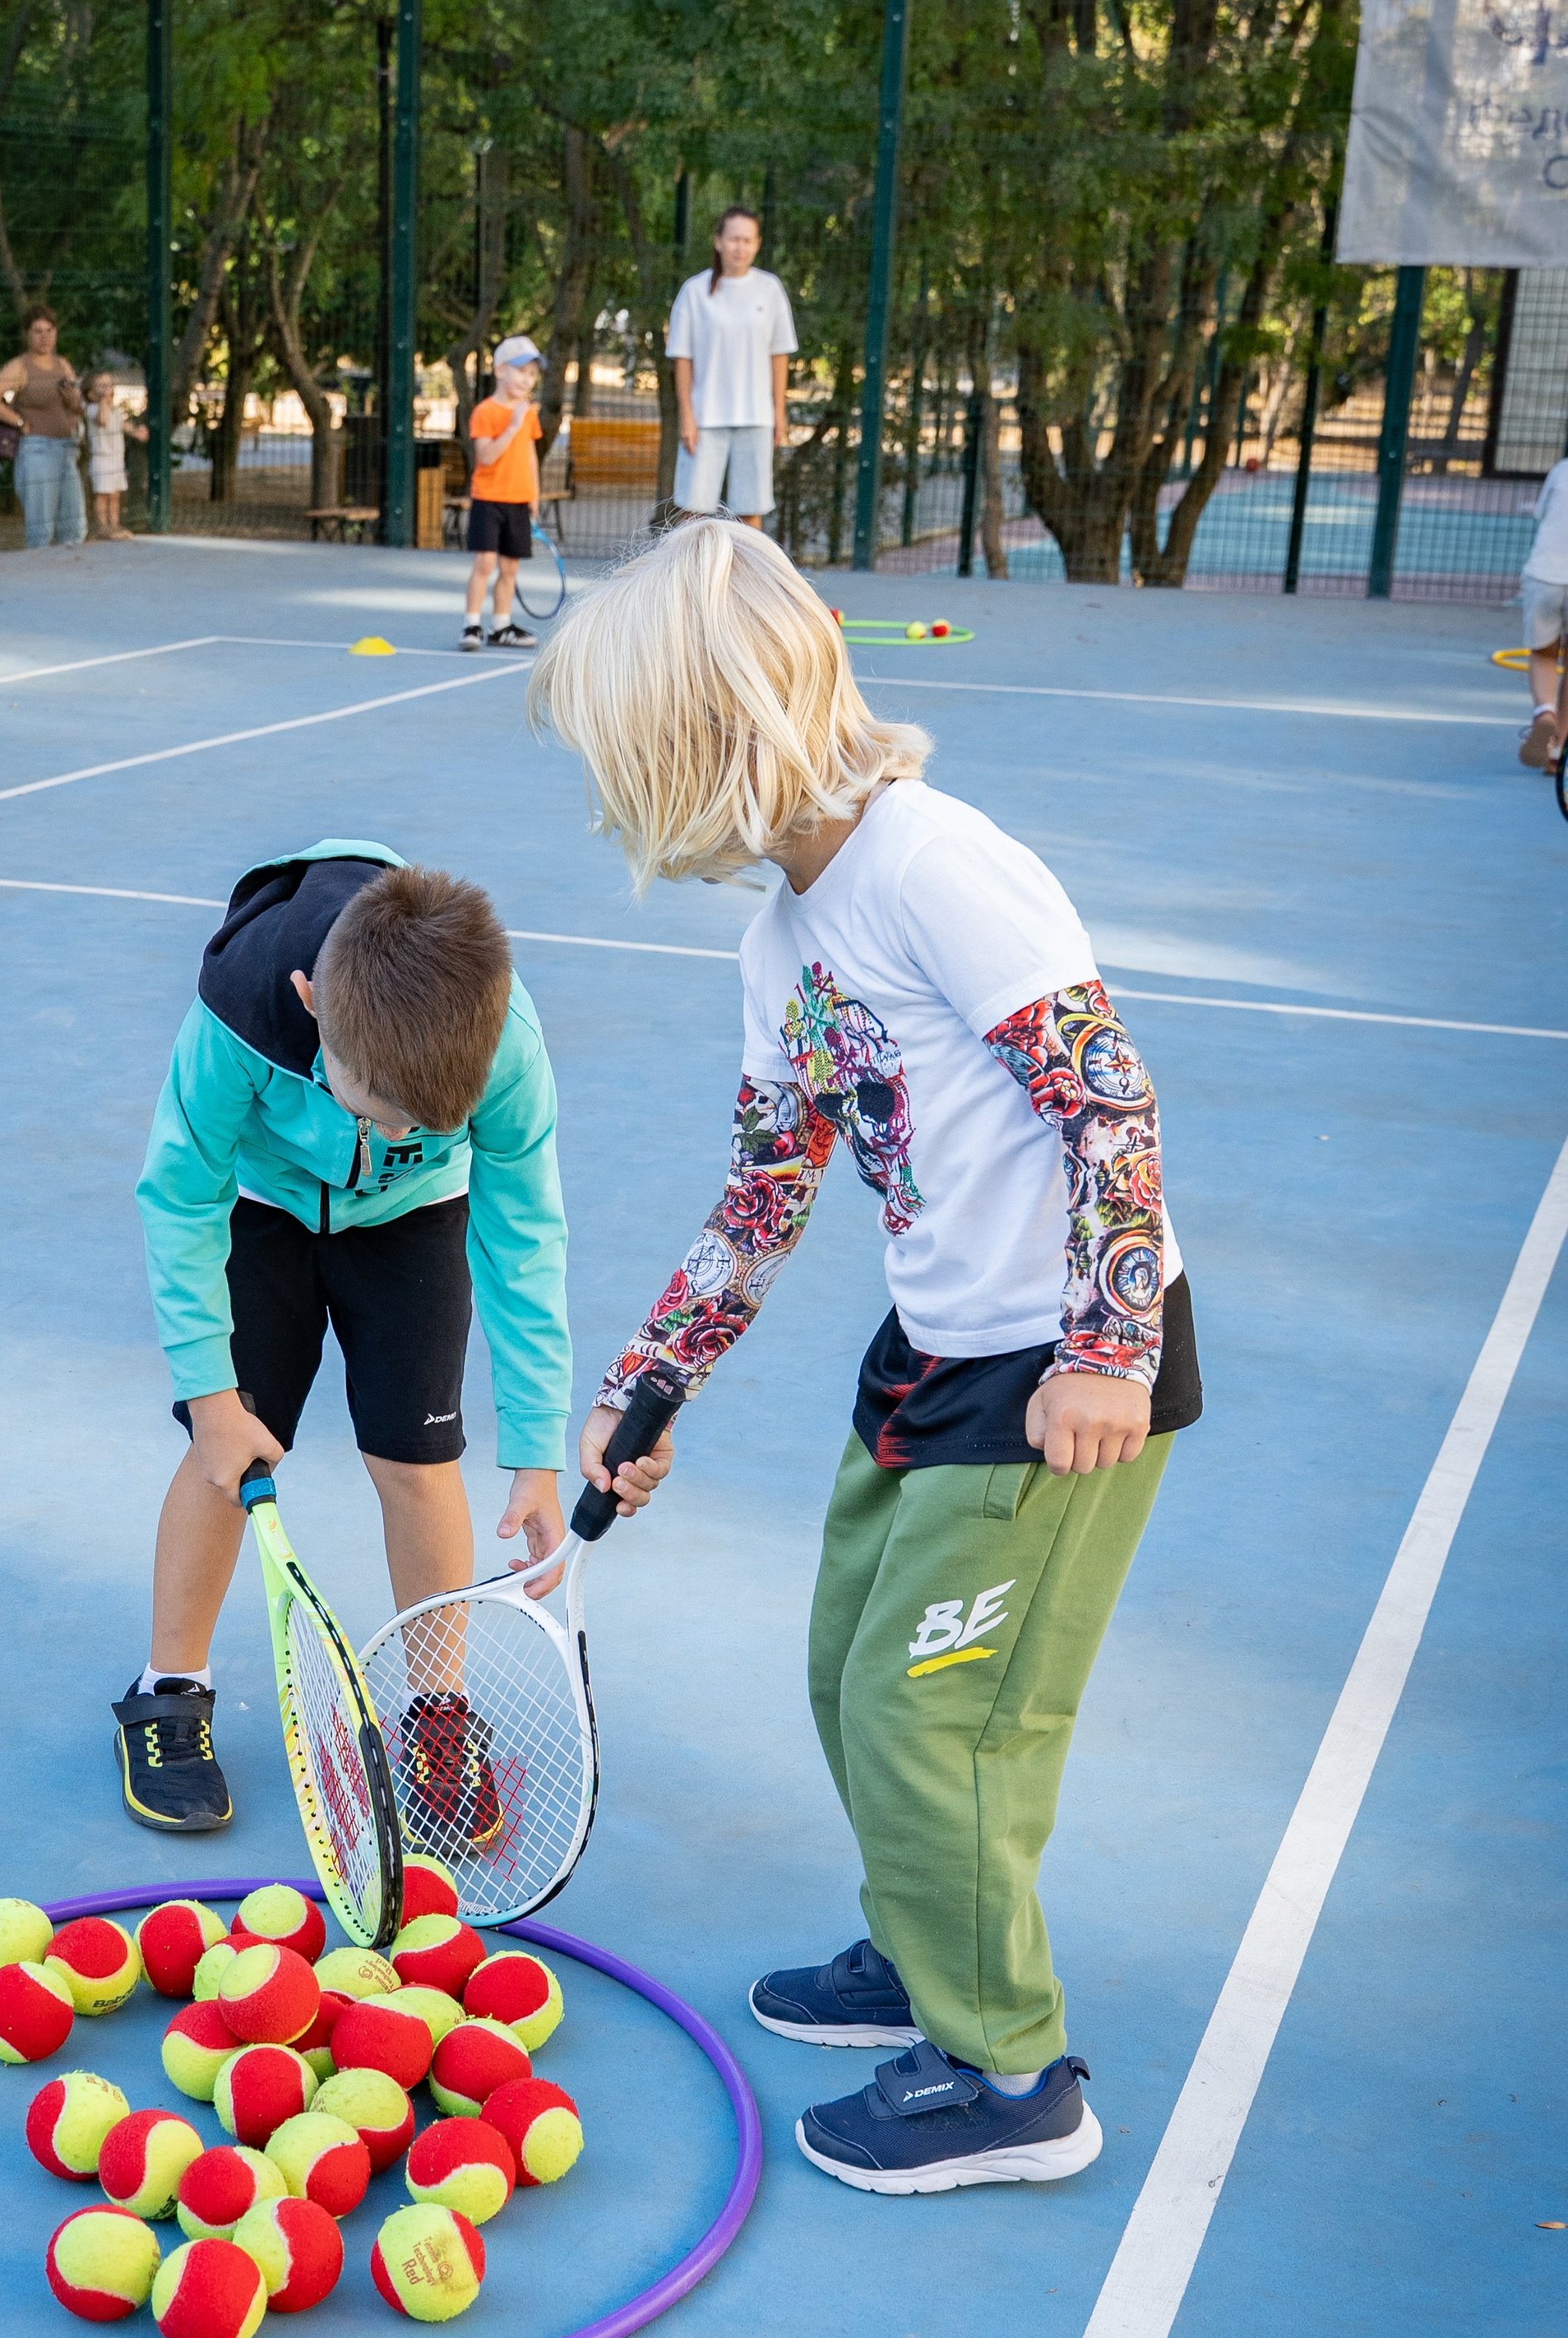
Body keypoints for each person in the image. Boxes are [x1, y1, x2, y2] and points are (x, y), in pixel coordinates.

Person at [529, 521, 1202, 2197]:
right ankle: (923, 1938)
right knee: (852, 1678)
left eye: (630, 758)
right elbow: (767, 1190)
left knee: (933, 1726)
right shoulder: (782, 942)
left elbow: (1102, 1097)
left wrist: (1108, 1350)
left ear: (710, 732)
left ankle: (1009, 2073)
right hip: (930, 1362)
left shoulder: (931, 865)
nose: (619, 800)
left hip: (1061, 1381)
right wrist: (646, 1383)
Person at [117, 841, 571, 1845]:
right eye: (382, 1110)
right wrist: (210, 1395)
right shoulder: (240, 1008)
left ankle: (437, 1714)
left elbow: (524, 1234)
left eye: (424, 1120)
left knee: (418, 1461)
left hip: (414, 1224)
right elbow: (179, 1197)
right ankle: (168, 1690)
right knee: (221, 1454)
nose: (400, 1125)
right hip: (265, 1209)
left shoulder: (502, 1041)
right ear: (310, 1004)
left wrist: (537, 1450)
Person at [665, 206, 798, 531]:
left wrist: (779, 412)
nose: (740, 247)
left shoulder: (770, 290)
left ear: (758, 244)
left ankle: (744, 582)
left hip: (756, 419)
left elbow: (779, 354)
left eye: (748, 240)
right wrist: (687, 416)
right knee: (693, 515)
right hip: (705, 420)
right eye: (734, 239)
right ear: (719, 242)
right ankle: (692, 581)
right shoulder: (694, 292)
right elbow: (683, 358)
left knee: (750, 514)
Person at [460, 337, 543, 653]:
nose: (527, 379)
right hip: (488, 498)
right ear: (499, 371)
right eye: (520, 370)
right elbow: (487, 457)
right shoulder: (485, 412)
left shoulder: (529, 415)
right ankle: (472, 624)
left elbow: (531, 454)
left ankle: (501, 626)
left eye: (533, 374)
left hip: (519, 501)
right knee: (484, 563)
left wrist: (534, 495)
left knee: (510, 569)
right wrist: (512, 426)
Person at [0, 308, 87, 549]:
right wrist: (19, 422)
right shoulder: (20, 366)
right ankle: (38, 578)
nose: (44, 337)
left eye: (49, 331)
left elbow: (78, 407)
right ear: (27, 334)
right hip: (37, 450)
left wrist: (73, 398)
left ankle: (69, 579)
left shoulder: (63, 364)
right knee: (41, 528)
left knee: (74, 525)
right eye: (38, 331)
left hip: (67, 449)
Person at [1517, 447, 1568, 768]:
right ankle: (1558, 749)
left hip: (1545, 575)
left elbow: (1542, 513)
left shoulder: (1562, 469)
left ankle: (1544, 713)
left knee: (1544, 653)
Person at [84, 370, 149, 539]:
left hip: (116, 459)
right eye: (101, 385)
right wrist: (102, 401)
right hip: (102, 458)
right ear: (91, 393)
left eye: (109, 384)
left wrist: (136, 431)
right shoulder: (92, 409)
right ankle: (103, 526)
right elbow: (103, 420)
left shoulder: (114, 410)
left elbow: (122, 425)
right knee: (102, 494)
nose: (107, 388)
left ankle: (114, 525)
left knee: (115, 494)